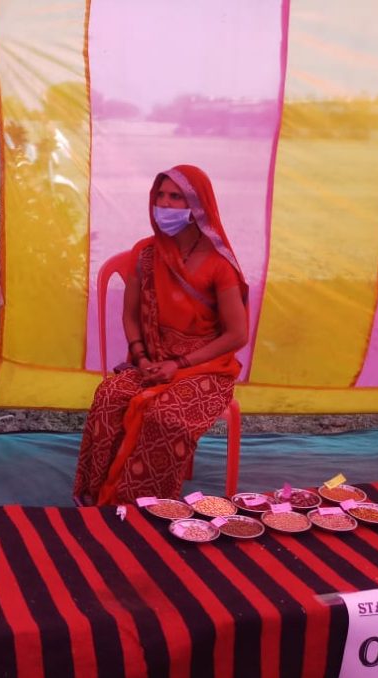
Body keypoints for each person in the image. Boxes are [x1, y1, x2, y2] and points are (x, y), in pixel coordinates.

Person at [74, 165, 248, 504]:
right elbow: (130, 315)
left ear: (197, 205)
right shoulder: (145, 253)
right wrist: (140, 358)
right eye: (160, 196)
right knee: (109, 395)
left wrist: (179, 364)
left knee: (163, 416)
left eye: (176, 197)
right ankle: (95, 495)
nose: (165, 204)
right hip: (151, 359)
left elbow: (237, 335)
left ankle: (142, 505)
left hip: (205, 367)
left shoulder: (218, 264)